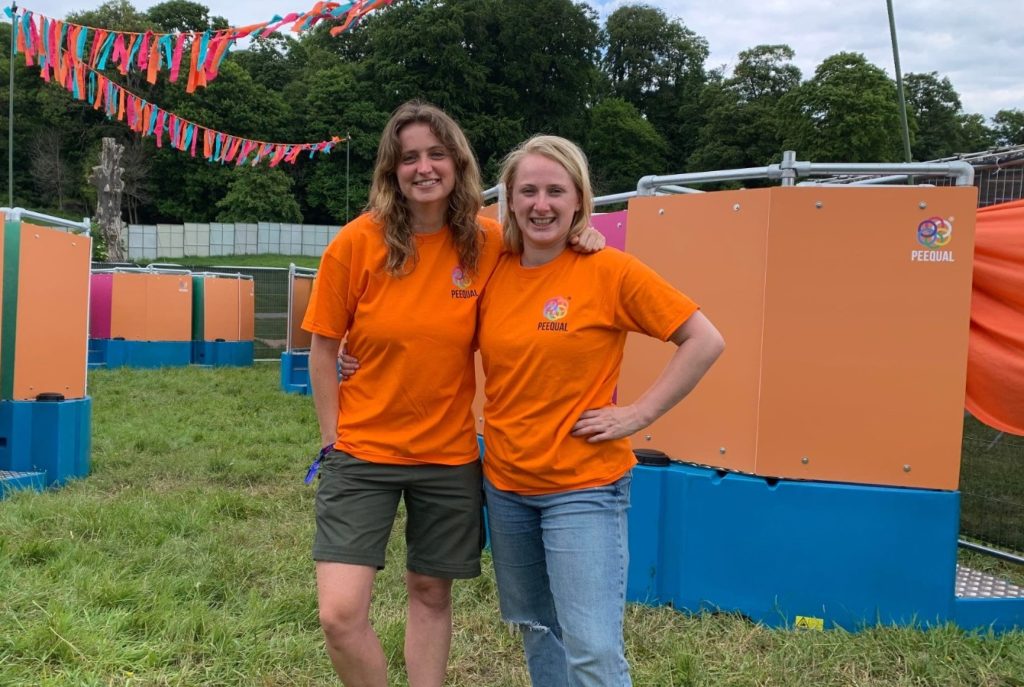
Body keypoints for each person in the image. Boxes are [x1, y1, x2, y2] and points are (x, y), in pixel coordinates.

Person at [301, 102, 603, 687]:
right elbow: (321, 349)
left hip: (449, 456)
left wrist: (580, 234)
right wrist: (331, 437)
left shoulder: (488, 242)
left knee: (431, 592)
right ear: (391, 170)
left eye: (437, 154)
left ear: (458, 162)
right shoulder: (355, 244)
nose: (424, 168)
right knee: (339, 615)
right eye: (409, 157)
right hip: (362, 453)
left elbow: (545, 247)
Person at [477, 135, 725, 686]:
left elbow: (704, 339)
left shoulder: (608, 269)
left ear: (579, 201)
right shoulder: (492, 268)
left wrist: (637, 415)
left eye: (556, 191)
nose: (542, 204)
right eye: (529, 191)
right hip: (506, 484)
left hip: (582, 488)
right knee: (539, 630)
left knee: (591, 649)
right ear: (510, 201)